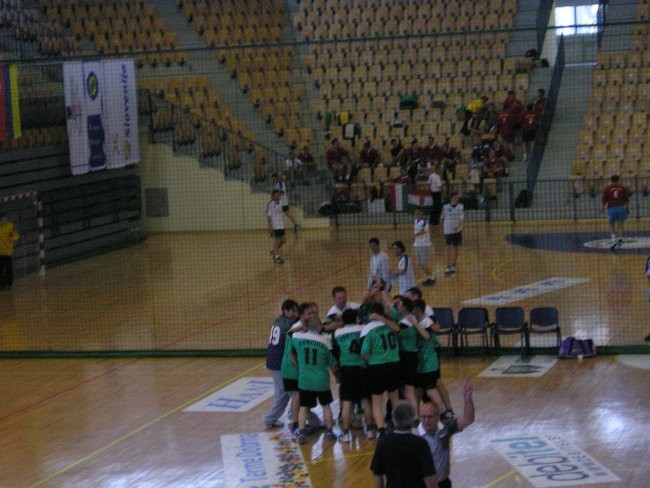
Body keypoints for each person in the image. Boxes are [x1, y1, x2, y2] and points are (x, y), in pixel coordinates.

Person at [290, 302, 339, 444]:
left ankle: (301, 432)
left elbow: (292, 355)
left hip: (305, 379)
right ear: (318, 327)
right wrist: (336, 374)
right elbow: (333, 365)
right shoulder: (325, 342)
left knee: (304, 407)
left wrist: (301, 368)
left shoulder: (297, 338)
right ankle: (330, 432)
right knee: (326, 406)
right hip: (321, 380)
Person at [420, 377, 476, 488]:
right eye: (423, 417)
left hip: (443, 483)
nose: (426, 420)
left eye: (430, 417)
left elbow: (468, 419)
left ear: (437, 417)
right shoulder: (415, 434)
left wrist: (468, 399)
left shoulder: (445, 428)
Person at [371, 400, 438, 488]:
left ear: (394, 419)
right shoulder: (420, 443)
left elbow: (378, 475)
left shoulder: (383, 442)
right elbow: (429, 479)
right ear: (411, 419)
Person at [361, 302, 402, 438]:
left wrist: (372, 361)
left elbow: (364, 353)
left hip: (377, 367)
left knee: (377, 401)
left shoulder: (367, 329)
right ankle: (398, 426)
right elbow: (398, 329)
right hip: (394, 365)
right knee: (394, 398)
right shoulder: (390, 324)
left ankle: (381, 430)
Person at [333, 308, 373, 442]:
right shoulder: (363, 329)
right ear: (356, 318)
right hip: (363, 368)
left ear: (343, 320)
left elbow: (337, 350)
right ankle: (369, 430)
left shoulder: (338, 333)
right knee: (366, 399)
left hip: (347, 370)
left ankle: (344, 433)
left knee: (347, 402)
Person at [263, 299, 299, 429]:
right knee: (293, 393)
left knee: (282, 393)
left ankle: (271, 420)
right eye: (293, 311)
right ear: (286, 311)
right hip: (278, 362)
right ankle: (303, 419)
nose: (296, 313)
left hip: (273, 360)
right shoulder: (289, 324)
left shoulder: (279, 320)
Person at [601, 174, 629, 250]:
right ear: (618, 180)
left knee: (611, 224)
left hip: (611, 209)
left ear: (611, 180)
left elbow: (604, 199)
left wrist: (603, 208)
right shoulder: (622, 187)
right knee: (621, 224)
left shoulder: (607, 187)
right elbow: (626, 198)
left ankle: (613, 240)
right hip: (621, 208)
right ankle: (620, 239)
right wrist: (627, 208)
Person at [441, 193, 464, 275]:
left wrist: (458, 225)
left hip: (457, 231)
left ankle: (453, 265)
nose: (456, 199)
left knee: (455, 248)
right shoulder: (445, 207)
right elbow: (442, 218)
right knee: (447, 248)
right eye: (455, 198)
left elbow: (462, 219)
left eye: (457, 198)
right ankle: (448, 266)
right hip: (447, 231)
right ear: (451, 198)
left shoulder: (460, 206)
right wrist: (441, 229)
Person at [413, 208, 435, 286]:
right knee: (420, 264)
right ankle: (429, 277)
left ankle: (432, 278)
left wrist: (416, 235)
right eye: (416, 212)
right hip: (417, 245)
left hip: (424, 245)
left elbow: (425, 230)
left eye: (418, 212)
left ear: (422, 212)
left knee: (424, 264)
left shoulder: (424, 222)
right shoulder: (416, 221)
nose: (416, 213)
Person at [0, 212, 20, 291]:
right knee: (0, 269)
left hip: (8, 252)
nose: (5, 219)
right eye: (3, 218)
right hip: (0, 252)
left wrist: (12, 239)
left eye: (6, 217)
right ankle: (1, 284)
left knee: (9, 269)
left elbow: (16, 236)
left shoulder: (10, 226)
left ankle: (9, 284)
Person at [267, 190, 287, 264]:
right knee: (277, 241)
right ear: (273, 196)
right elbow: (269, 217)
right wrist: (270, 227)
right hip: (275, 226)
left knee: (284, 240)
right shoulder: (271, 204)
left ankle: (273, 251)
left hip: (281, 225)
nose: (277, 196)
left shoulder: (281, 202)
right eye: (276, 195)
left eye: (278, 195)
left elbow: (283, 193)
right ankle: (276, 258)